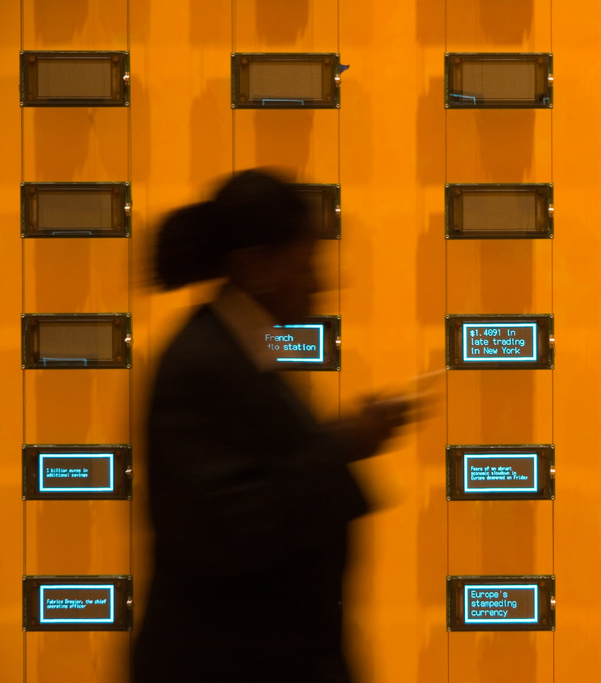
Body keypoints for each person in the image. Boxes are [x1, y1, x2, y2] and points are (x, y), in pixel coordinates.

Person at [134, 169, 408, 683]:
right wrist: (344, 444)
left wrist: (344, 442)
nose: (320, 284)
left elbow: (263, 474)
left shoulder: (240, 351)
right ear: (255, 267)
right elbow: (230, 524)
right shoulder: (202, 364)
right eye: (305, 265)